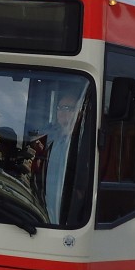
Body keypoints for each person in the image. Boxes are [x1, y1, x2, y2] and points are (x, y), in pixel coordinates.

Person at [43, 89, 81, 222]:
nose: (61, 112)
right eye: (59, 107)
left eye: (67, 108)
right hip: (45, 203)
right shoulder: (51, 138)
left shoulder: (80, 142)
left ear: (78, 112)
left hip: (66, 207)